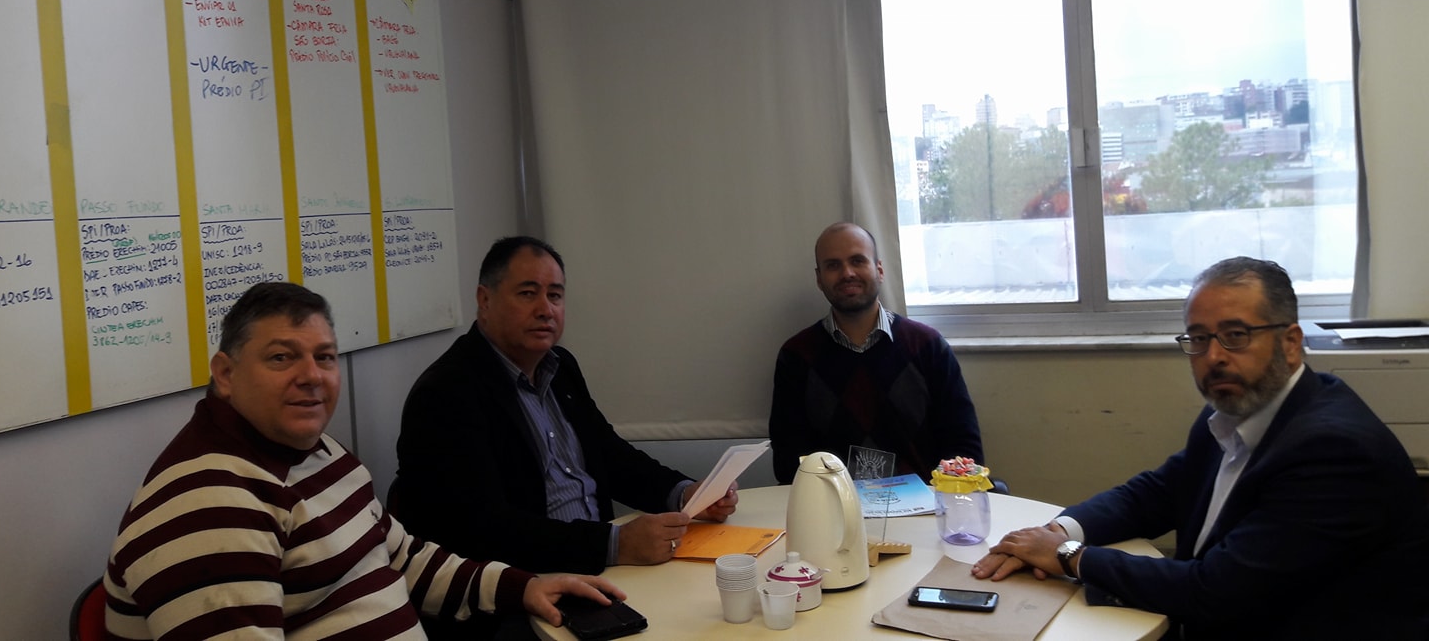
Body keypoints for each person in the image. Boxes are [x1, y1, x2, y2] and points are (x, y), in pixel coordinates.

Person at [103, 282, 621, 640]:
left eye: (324, 357)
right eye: (282, 357)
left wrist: (523, 587)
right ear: (225, 373)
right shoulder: (207, 503)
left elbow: (402, 558)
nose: (312, 376)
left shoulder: (317, 452)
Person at [972, 257, 1429, 640]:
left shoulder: (1334, 452)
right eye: (1199, 338)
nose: (1214, 357)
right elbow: (1157, 493)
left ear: (1291, 343)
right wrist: (1057, 530)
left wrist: (1069, 555)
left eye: (1236, 335)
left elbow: (1216, 590)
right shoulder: (1235, 411)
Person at [394, 235, 738, 577]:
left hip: (597, 566)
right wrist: (614, 544)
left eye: (555, 295)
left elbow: (610, 456)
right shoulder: (446, 393)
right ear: (485, 300)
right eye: (527, 294)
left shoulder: (560, 367)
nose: (545, 309)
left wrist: (684, 495)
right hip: (527, 585)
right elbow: (482, 528)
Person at [769, 222, 984, 483]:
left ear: (879, 270)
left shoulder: (928, 347)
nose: (847, 273)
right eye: (833, 265)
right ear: (819, 279)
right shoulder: (796, 357)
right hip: (834, 503)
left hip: (925, 503)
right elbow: (788, 462)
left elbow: (964, 451)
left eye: (857, 261)